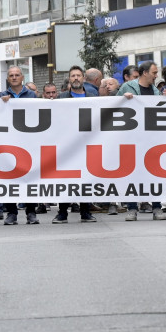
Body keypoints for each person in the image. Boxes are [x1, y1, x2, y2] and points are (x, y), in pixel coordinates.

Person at [118, 61, 165, 221]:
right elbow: (113, 106)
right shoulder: (127, 87)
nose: (156, 76)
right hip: (131, 139)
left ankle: (157, 206)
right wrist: (122, 99)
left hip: (151, 139)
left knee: (155, 173)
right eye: (154, 73)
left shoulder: (155, 91)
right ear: (145, 73)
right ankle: (132, 208)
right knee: (132, 173)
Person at [53, 66, 97, 224]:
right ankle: (62, 212)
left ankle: (85, 212)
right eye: (73, 76)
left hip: (87, 143)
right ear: (69, 79)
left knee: (85, 178)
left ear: (84, 78)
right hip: (67, 145)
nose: (76, 78)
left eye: (79, 75)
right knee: (66, 179)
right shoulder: (61, 98)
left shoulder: (93, 96)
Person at [0, 66, 39, 224]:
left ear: (22, 77)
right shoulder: (1, 96)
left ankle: (31, 212)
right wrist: (1, 104)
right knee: (9, 178)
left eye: (17, 75)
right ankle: (11, 213)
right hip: (8, 143)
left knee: (29, 177)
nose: (14, 77)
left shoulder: (32, 95)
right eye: (11, 75)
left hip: (28, 142)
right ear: (8, 79)